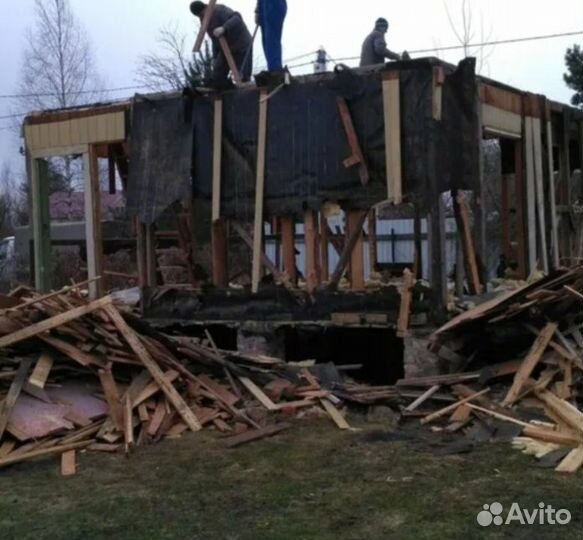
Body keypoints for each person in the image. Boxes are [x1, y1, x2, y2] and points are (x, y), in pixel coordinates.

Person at [190, 1, 253, 85]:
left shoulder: (219, 10)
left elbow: (237, 18)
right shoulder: (204, 21)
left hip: (241, 44)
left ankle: (245, 93)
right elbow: (214, 40)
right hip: (225, 48)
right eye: (199, 16)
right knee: (217, 76)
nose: (201, 17)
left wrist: (224, 28)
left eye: (201, 14)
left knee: (243, 76)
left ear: (204, 8)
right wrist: (215, 57)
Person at [255, 0, 287, 72]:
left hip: (272, 3)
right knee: (266, 42)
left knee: (271, 40)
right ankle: (273, 70)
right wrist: (258, 9)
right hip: (264, 4)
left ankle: (275, 71)